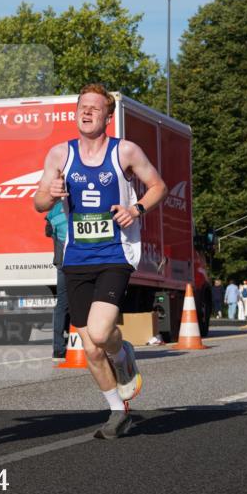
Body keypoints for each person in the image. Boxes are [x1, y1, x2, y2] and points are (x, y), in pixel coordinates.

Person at [33, 83, 167, 439]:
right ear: (75, 112)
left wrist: (135, 209)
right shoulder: (60, 154)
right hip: (76, 257)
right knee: (90, 348)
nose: (87, 112)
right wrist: (52, 192)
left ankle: (122, 355)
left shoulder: (124, 151)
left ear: (108, 117)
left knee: (100, 332)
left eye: (95, 108)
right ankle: (116, 411)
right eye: (82, 107)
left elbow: (158, 186)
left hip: (114, 254)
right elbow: (39, 203)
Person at [45, 202, 70, 360]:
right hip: (82, 262)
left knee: (61, 304)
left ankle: (58, 349)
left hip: (62, 262)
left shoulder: (55, 209)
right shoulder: (83, 204)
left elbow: (48, 232)